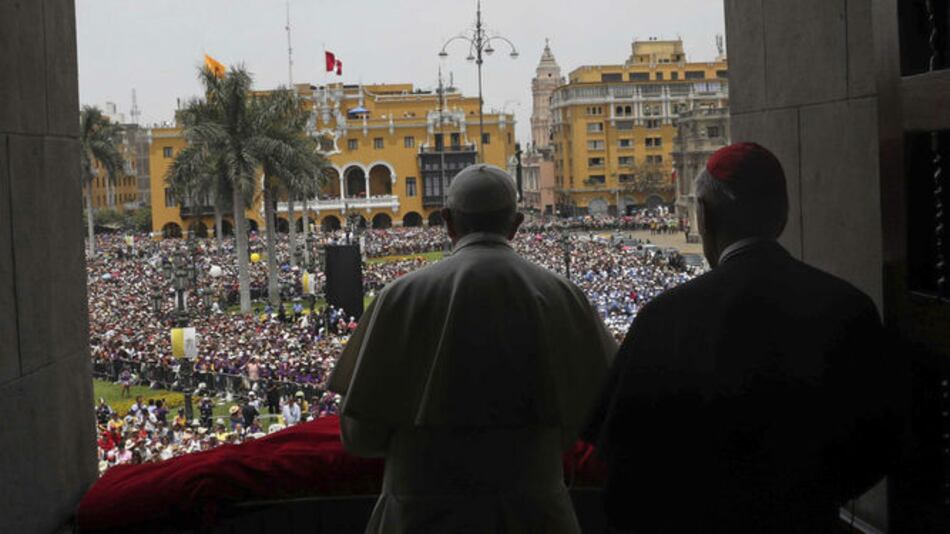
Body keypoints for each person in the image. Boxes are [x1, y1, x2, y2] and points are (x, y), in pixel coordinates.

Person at [585, 143, 900, 533]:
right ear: (782, 215)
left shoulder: (665, 317)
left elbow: (624, 461)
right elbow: (881, 444)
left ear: (703, 216)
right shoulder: (848, 306)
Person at [329, 164, 615, 534]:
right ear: (516, 223)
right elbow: (596, 417)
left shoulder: (400, 297)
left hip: (421, 515)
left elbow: (359, 437)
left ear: (447, 221)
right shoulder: (564, 296)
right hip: (535, 512)